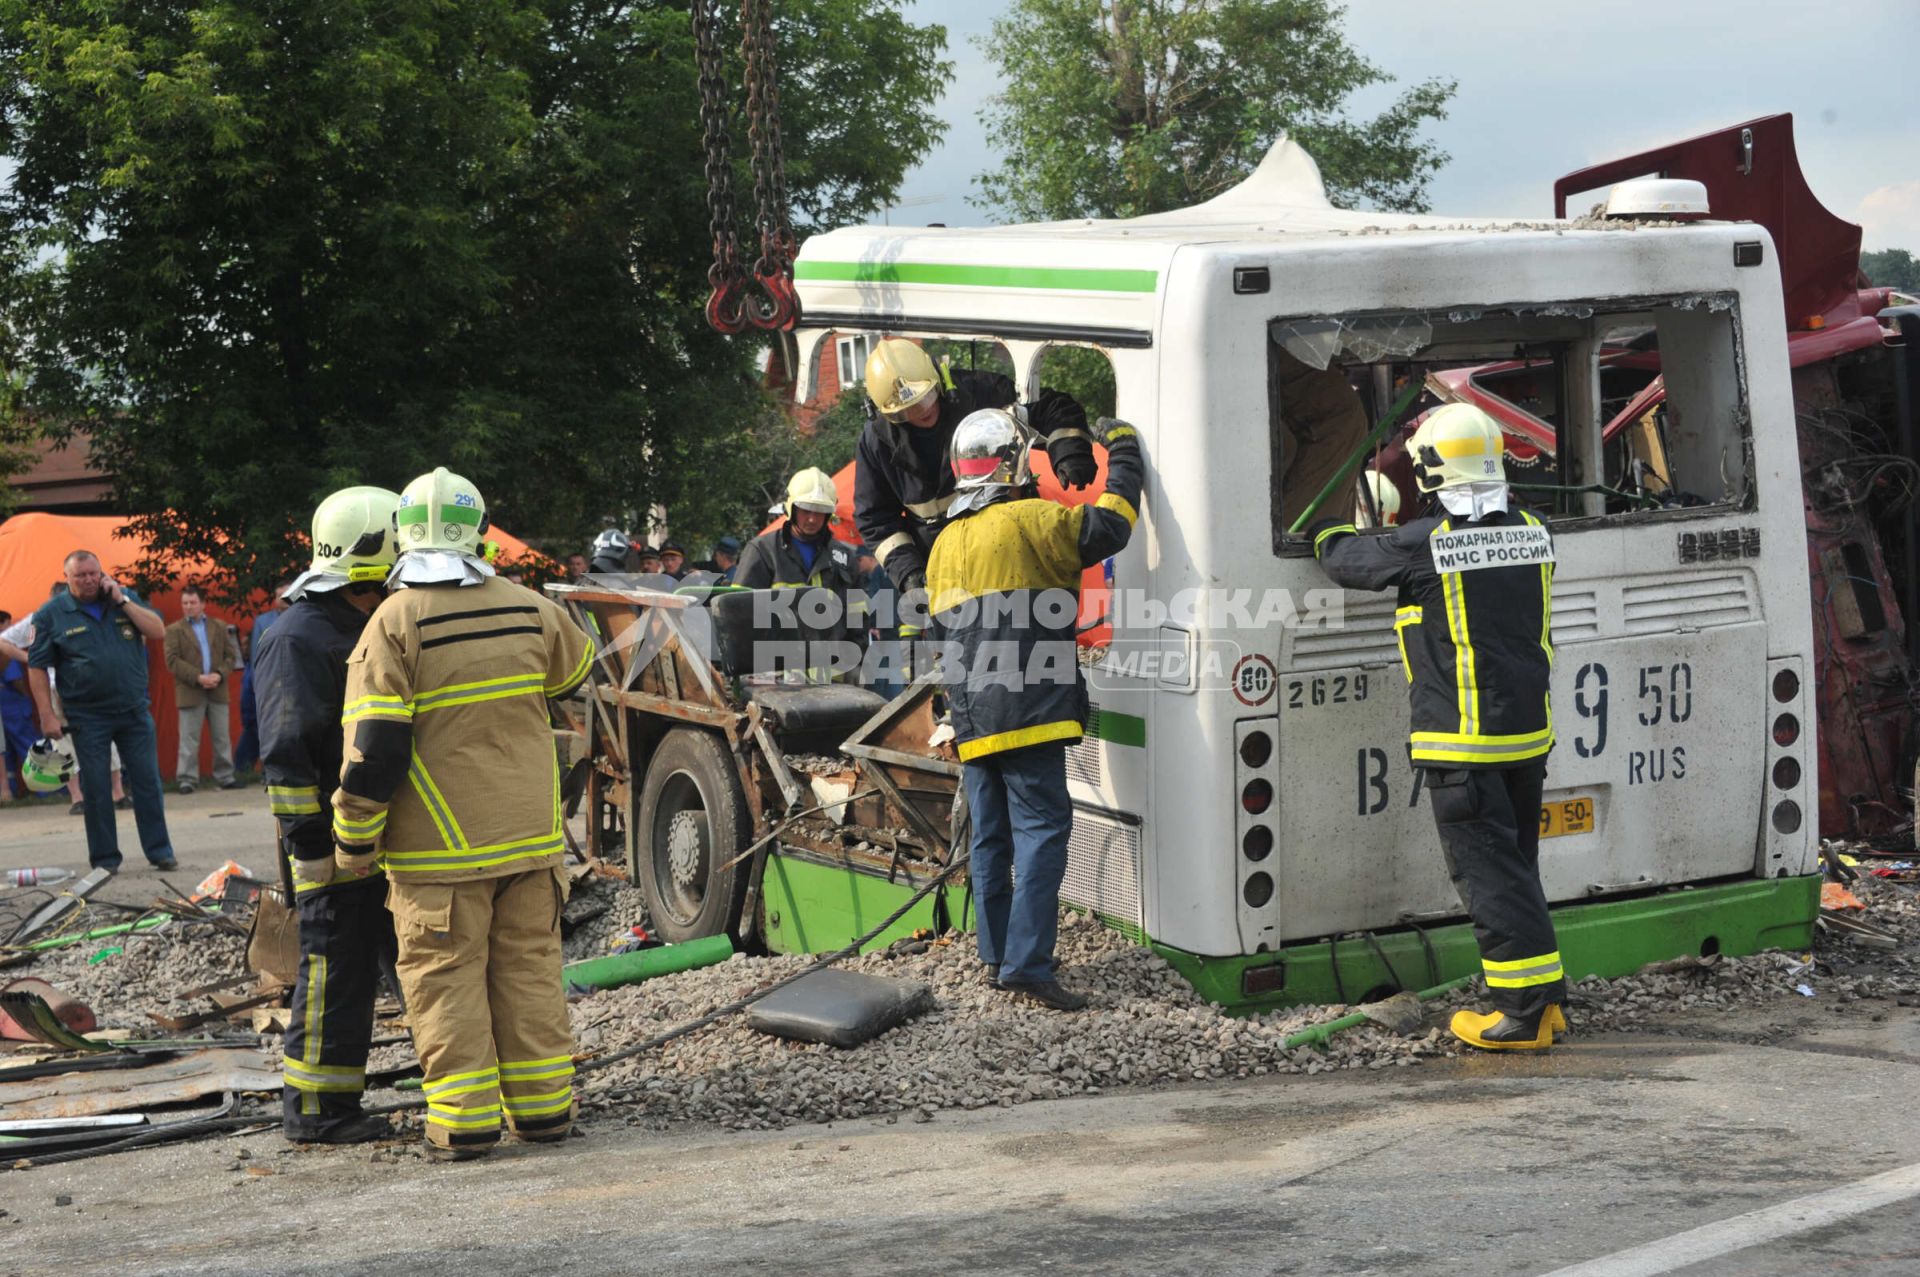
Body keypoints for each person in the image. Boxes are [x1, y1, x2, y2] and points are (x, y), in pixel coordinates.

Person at [333, 467, 592, 1161]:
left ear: (402, 538)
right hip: (531, 841)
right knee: (530, 972)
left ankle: (464, 1123)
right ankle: (543, 1113)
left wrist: (352, 840)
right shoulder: (529, 606)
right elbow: (576, 676)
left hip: (436, 854)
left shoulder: (394, 622)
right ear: (481, 532)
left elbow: (375, 748)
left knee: (446, 982)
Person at [1311, 403, 1565, 1051]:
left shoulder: (1426, 545)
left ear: (1432, 472)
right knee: (1516, 870)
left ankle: (1523, 1017)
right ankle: (1546, 1003)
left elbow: (1345, 560)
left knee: (1490, 879)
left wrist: (1321, 527)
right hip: (1526, 739)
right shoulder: (1535, 529)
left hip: (1464, 747)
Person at [927, 410, 1143, 1011]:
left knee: (991, 839)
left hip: (972, 716)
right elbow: (1113, 524)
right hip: (1028, 710)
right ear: (1015, 464)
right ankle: (1027, 965)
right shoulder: (1031, 520)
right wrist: (1122, 452)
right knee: (1043, 833)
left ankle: (996, 956)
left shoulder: (944, 544)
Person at [255, 487, 404, 1145]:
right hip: (328, 842)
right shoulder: (299, 637)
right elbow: (288, 751)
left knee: (363, 970)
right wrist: (310, 847)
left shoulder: (349, 623)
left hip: (368, 834)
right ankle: (317, 1110)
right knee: (331, 972)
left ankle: (345, 1097)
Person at [854, 338, 1096, 603]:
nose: (920, 412)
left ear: (939, 380)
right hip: (946, 576)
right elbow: (875, 520)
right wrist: (909, 572)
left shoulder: (981, 396)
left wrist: (1069, 450)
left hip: (1014, 553)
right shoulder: (878, 442)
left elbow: (1052, 408)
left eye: (926, 399)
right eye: (906, 411)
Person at [27, 552, 176, 872]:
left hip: (134, 710)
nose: (89, 580)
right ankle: (105, 859)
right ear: (66, 577)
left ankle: (160, 850)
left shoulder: (124, 598)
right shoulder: (51, 615)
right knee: (95, 787)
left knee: (148, 781)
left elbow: (158, 630)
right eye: (80, 575)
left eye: (94, 573)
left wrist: (122, 600)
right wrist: (47, 715)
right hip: (86, 715)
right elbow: (36, 666)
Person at [164, 585, 240, 793]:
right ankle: (187, 779)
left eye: (192, 602)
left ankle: (225, 776)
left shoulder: (219, 626)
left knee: (222, 736)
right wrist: (198, 677)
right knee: (189, 738)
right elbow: (172, 661)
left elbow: (231, 656)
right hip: (190, 690)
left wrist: (219, 674)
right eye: (185, 603)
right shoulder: (174, 630)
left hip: (217, 688)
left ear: (203, 604)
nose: (188, 607)